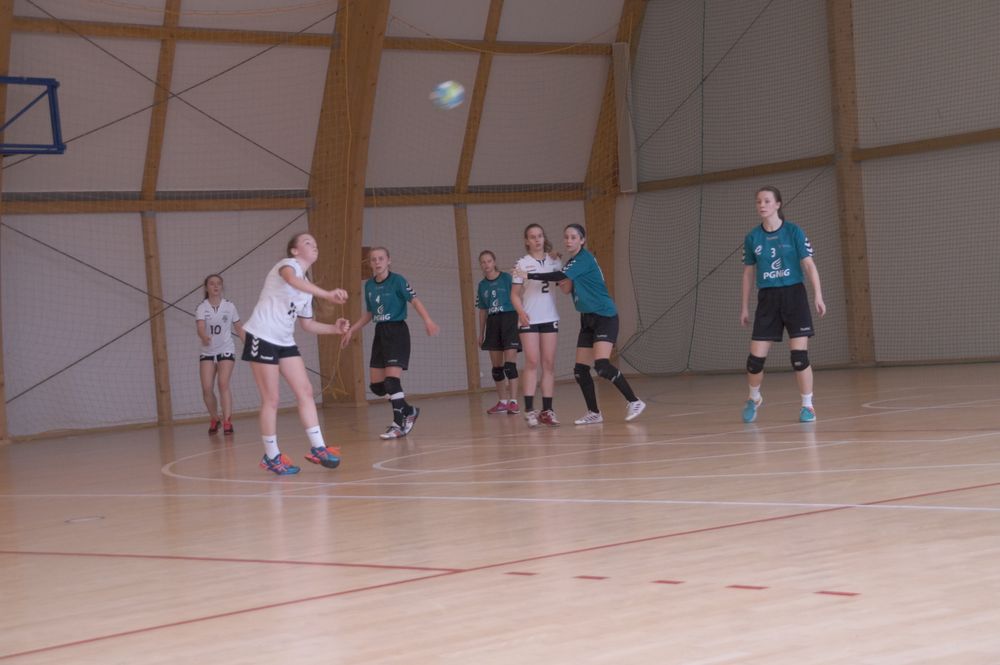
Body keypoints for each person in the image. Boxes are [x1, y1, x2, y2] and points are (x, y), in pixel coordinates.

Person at [241, 233, 351, 475]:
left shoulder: (307, 288)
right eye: (308, 242)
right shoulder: (287, 265)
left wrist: (334, 328)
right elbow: (291, 280)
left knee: (306, 391)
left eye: (316, 243)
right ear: (294, 250)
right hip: (262, 336)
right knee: (271, 399)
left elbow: (307, 325)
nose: (314, 246)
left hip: (284, 340)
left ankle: (318, 448)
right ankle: (271, 457)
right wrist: (327, 294)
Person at [516, 223, 645, 425]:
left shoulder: (583, 259)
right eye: (566, 237)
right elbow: (565, 286)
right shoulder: (571, 262)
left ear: (582, 240)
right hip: (587, 318)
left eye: (573, 237)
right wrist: (554, 262)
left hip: (604, 316)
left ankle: (634, 401)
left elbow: (559, 276)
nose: (569, 241)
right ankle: (594, 412)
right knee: (580, 370)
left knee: (602, 366)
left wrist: (529, 275)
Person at [739, 185, 826, 423]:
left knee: (799, 357)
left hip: (794, 296)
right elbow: (748, 274)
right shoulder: (752, 238)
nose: (762, 205)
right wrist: (744, 306)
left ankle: (807, 406)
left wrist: (818, 295)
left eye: (767, 201)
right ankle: (754, 398)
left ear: (778, 204)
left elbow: (809, 265)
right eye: (759, 201)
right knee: (754, 362)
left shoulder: (794, 232)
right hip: (768, 299)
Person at [340, 247, 440, 439]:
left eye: (381, 258)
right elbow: (370, 313)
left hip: (397, 332)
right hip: (380, 333)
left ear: (388, 261)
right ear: (370, 263)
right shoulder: (369, 285)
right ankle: (408, 410)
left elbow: (415, 301)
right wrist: (352, 329)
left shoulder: (398, 280)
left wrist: (428, 320)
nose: (377, 262)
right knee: (378, 387)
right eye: (373, 259)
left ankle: (398, 423)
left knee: (391, 381)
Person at [510, 224, 563, 428]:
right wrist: (521, 313)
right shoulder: (522, 263)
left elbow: (563, 284)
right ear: (527, 241)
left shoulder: (554, 261)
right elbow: (514, 295)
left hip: (550, 317)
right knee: (532, 362)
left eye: (540, 235)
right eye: (532, 237)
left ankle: (547, 410)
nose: (537, 239)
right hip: (530, 319)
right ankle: (529, 410)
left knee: (548, 364)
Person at [196, 274, 244, 435]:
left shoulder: (229, 306)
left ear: (222, 286)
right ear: (206, 288)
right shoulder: (202, 307)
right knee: (206, 388)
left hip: (226, 349)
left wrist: (249, 345)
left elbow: (239, 328)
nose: (216, 286)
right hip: (208, 352)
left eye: (218, 283)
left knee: (223, 383)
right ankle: (215, 418)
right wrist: (204, 336)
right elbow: (200, 327)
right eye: (212, 283)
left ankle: (227, 421)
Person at [475, 250, 521, 415]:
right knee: (497, 368)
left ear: (494, 262)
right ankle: (502, 401)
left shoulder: (506, 278)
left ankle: (513, 402)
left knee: (510, 366)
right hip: (493, 323)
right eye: (483, 262)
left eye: (489, 261)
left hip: (509, 320)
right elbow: (482, 310)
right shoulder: (482, 285)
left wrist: (520, 319)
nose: (486, 264)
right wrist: (481, 333)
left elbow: (518, 297)